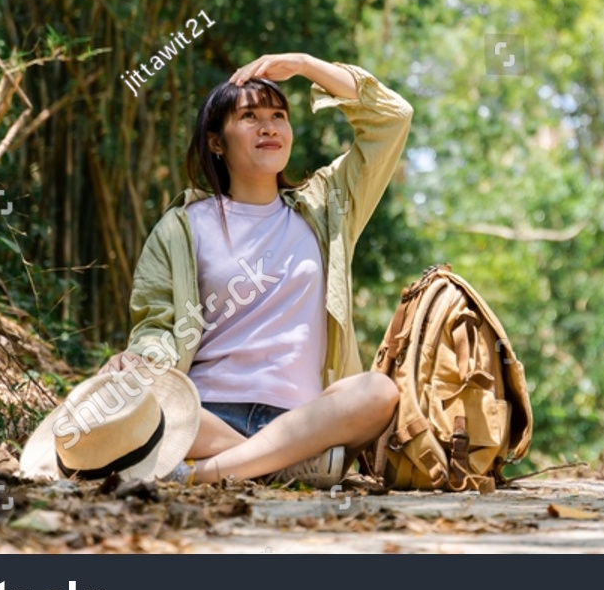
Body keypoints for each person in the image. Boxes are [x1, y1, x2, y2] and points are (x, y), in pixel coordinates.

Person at [99, 52, 409, 486]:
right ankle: (280, 466)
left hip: (305, 419)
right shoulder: (183, 227)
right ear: (216, 142)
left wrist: (303, 64)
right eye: (249, 116)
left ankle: (200, 476)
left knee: (377, 392)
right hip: (204, 417)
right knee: (127, 388)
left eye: (278, 115)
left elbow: (392, 117)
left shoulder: (327, 207)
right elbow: (156, 324)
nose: (269, 127)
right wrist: (139, 362)